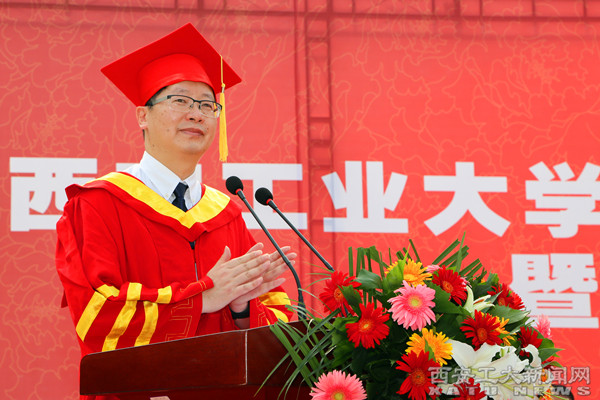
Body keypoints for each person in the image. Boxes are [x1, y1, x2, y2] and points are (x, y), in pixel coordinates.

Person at [55, 24, 295, 398]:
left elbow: (279, 319)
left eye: (207, 105)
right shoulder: (97, 204)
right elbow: (96, 315)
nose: (196, 114)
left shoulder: (226, 214)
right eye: (180, 100)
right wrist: (202, 299)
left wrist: (241, 308)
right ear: (143, 115)